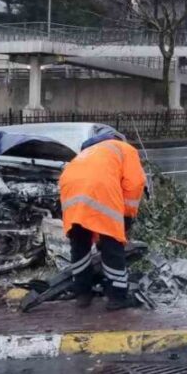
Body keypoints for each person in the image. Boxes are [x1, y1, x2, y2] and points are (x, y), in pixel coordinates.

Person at [59, 126, 147, 311]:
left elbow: (93, 216)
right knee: (112, 244)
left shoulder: (87, 152)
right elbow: (135, 184)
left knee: (79, 243)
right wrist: (127, 215)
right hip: (99, 188)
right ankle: (117, 297)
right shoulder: (124, 149)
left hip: (70, 190)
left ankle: (83, 294)